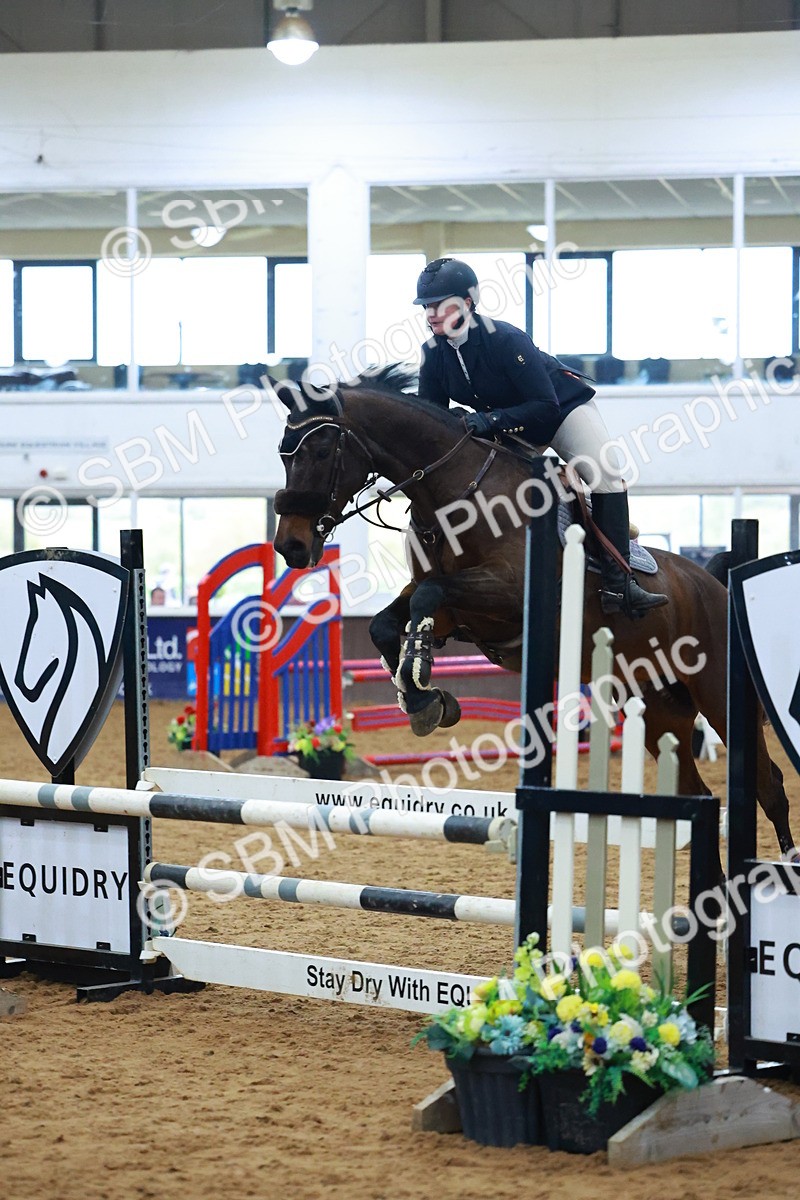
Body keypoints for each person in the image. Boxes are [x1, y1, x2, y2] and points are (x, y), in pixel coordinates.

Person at [414, 257, 667, 619]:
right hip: (508, 428)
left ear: (467, 303)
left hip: (561, 411)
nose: (430, 313)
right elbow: (431, 420)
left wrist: (489, 420)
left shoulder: (505, 339)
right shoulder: (433, 355)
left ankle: (619, 583)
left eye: (439, 304)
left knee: (606, 474)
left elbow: (544, 405)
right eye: (427, 306)